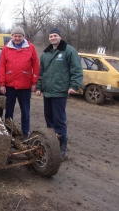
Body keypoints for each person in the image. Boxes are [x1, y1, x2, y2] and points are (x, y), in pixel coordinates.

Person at [36, 28, 83, 160]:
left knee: (59, 120)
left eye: (55, 35)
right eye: (50, 36)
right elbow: (42, 73)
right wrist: (39, 87)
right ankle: (51, 145)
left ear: (60, 37)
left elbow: (76, 69)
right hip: (48, 92)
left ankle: (62, 148)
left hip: (60, 92)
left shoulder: (69, 51)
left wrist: (74, 85)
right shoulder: (45, 54)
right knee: (49, 119)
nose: (53, 38)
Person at [0, 26, 40, 139]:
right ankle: (8, 131)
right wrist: (1, 83)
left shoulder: (30, 48)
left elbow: (36, 65)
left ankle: (25, 133)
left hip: (25, 86)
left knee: (25, 111)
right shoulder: (6, 48)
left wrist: (34, 82)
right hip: (10, 86)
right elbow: (1, 66)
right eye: (15, 36)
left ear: (23, 36)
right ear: (12, 36)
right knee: (9, 111)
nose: (17, 38)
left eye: (19, 36)